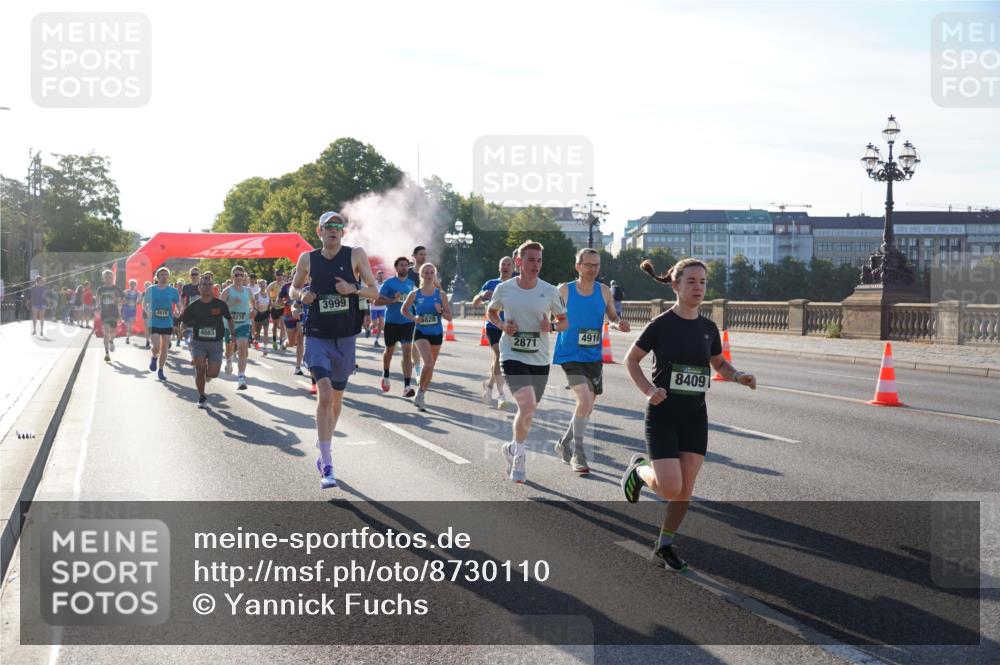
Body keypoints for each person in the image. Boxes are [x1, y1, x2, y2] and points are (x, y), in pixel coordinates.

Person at [620, 258, 757, 572]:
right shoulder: (661, 325)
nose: (698, 287)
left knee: (685, 489)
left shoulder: (708, 327)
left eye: (703, 282)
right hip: (663, 415)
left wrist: (738, 376)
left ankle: (664, 545)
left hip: (695, 414)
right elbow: (631, 360)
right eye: (691, 281)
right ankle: (639, 469)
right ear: (675, 285)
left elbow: (719, 363)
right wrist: (648, 391)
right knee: (669, 487)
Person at [290, 211, 380, 489]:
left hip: (345, 337)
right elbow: (293, 290)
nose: (333, 230)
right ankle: (326, 462)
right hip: (317, 335)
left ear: (343, 232)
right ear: (319, 232)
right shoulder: (308, 259)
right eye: (328, 227)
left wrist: (352, 289)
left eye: (338, 226)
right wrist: (301, 295)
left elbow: (374, 292)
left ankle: (324, 438)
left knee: (337, 399)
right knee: (325, 394)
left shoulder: (355, 255)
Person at [486, 240, 568, 484]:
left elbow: (564, 321)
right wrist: (502, 325)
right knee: (528, 404)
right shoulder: (505, 288)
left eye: (539, 260)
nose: (536, 264)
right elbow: (491, 312)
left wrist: (551, 326)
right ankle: (520, 458)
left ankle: (512, 448)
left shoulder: (550, 291)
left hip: (539, 358)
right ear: (519, 262)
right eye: (531, 259)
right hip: (512, 354)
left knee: (528, 411)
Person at [552, 249, 631, 475]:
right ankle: (579, 453)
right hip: (570, 354)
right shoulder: (565, 290)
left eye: (596, 265)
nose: (593, 269)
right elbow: (551, 316)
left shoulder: (604, 291)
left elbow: (613, 317)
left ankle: (563, 443)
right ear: (578, 266)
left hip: (593, 356)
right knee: (584, 399)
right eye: (588, 265)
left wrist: (618, 324)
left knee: (587, 406)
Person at [401, 263, 452, 411]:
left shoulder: (441, 295)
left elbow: (449, 317)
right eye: (426, 273)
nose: (429, 275)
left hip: (436, 333)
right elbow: (403, 309)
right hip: (421, 332)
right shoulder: (415, 294)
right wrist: (414, 317)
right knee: (428, 363)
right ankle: (420, 394)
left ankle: (421, 394)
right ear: (421, 275)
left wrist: (441, 311)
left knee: (430, 367)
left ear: (434, 275)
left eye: (431, 273)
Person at [181, 274, 235, 408]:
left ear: (213, 288)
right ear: (199, 288)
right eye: (204, 285)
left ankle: (207, 373)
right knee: (200, 370)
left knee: (213, 373)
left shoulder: (220, 304)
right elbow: (185, 322)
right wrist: (183, 330)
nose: (206, 287)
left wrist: (233, 333)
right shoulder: (194, 306)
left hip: (216, 343)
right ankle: (202, 396)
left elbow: (229, 318)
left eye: (209, 285)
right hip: (198, 342)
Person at [472, 257, 514, 410]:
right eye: (503, 264)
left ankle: (489, 386)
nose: (506, 267)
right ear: (499, 267)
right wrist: (482, 295)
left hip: (510, 327)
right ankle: (501, 395)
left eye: (509, 264)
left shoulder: (517, 284)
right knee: (499, 353)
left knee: (499, 359)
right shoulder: (491, 283)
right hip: (494, 326)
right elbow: (475, 303)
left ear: (513, 268)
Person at [375, 257, 417, 397]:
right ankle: (386, 374)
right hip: (392, 322)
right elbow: (378, 301)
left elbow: (417, 301)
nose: (404, 268)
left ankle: (407, 386)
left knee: (407, 352)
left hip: (407, 322)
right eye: (401, 265)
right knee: (389, 351)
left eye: (406, 265)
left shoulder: (412, 284)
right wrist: (392, 299)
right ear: (396, 267)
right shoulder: (389, 283)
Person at [221, 265, 253, 390]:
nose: (239, 277)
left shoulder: (248, 291)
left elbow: (253, 305)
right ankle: (228, 360)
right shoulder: (227, 291)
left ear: (244, 277)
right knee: (229, 350)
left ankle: (241, 377)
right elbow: (220, 308)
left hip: (244, 323)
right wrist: (232, 303)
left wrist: (253, 310)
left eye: (241, 275)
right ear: (232, 276)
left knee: (242, 348)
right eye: (236, 275)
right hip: (229, 325)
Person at [146, 268, 180, 381]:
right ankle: (154, 357)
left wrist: (178, 311)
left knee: (165, 347)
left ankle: (160, 370)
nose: (164, 276)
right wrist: (147, 311)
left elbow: (178, 303)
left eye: (166, 274)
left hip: (167, 322)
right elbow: (144, 303)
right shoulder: (151, 289)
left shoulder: (173, 291)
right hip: (154, 321)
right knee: (156, 346)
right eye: (162, 275)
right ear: (157, 277)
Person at [279, 271, 306, 375]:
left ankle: (298, 367)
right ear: (292, 276)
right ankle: (285, 343)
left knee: (300, 339)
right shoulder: (287, 286)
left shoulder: (307, 286)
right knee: (292, 342)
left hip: (302, 314)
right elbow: (279, 300)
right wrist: (285, 303)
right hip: (288, 315)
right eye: (295, 274)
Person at [96, 270, 125, 362]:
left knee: (113, 332)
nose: (108, 279)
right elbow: (97, 300)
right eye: (106, 277)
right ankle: (106, 353)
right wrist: (97, 308)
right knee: (106, 333)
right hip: (104, 313)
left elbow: (123, 301)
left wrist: (116, 299)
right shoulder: (100, 289)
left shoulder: (116, 288)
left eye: (110, 277)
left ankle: (112, 341)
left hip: (114, 313)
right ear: (103, 278)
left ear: (112, 278)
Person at [178, 267, 201, 347]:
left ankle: (196, 356)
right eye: (192, 274)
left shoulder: (203, 286)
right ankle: (194, 356)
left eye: (196, 274)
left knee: (197, 337)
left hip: (200, 314)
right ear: (190, 276)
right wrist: (182, 307)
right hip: (189, 314)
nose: (194, 276)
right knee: (187, 335)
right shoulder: (186, 287)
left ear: (199, 275)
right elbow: (182, 297)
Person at [266, 271, 287, 351]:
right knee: (275, 326)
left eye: (281, 274)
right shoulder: (273, 284)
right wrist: (270, 302)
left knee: (282, 324)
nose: (280, 276)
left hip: (283, 307)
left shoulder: (285, 284)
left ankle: (281, 342)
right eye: (278, 275)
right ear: (275, 275)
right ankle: (274, 340)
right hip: (275, 308)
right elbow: (266, 291)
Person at [252, 278, 271, 352]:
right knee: (258, 332)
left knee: (266, 332)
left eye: (264, 285)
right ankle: (255, 341)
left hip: (266, 314)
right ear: (258, 285)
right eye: (261, 285)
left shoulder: (268, 294)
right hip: (258, 314)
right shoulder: (256, 295)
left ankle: (265, 348)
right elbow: (252, 306)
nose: (262, 286)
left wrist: (270, 309)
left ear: (266, 285)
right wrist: (255, 306)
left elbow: (270, 304)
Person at [369, 270, 387, 347]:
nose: (381, 277)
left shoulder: (385, 284)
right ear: (377, 277)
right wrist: (370, 300)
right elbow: (369, 294)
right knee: (375, 324)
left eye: (382, 276)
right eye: (380, 276)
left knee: (381, 323)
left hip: (383, 307)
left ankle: (376, 340)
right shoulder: (374, 284)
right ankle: (368, 329)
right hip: (374, 307)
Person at [122, 279, 140, 344]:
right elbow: (123, 299)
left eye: (134, 284)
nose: (132, 285)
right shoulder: (126, 291)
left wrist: (137, 301)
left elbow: (139, 300)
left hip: (133, 310)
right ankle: (127, 334)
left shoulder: (138, 292)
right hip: (127, 309)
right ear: (129, 285)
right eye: (131, 284)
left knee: (130, 325)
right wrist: (128, 302)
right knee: (127, 324)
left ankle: (127, 337)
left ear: (136, 285)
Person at [140, 280, 153, 348]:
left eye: (149, 286)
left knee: (151, 326)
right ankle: (147, 340)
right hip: (145, 311)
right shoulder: (143, 293)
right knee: (146, 326)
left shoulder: (154, 292)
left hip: (151, 311)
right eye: (146, 286)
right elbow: (140, 300)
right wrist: (140, 299)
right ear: (144, 287)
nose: (147, 287)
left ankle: (151, 339)